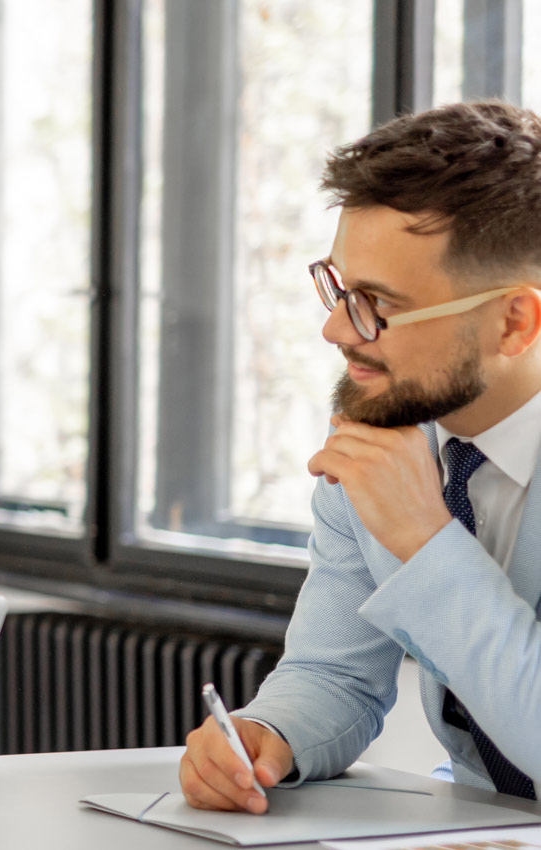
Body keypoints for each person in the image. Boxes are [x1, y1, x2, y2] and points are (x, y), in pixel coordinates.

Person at [181, 101, 541, 813]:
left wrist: (426, 540)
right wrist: (265, 735)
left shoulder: (398, 472)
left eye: (375, 303)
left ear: (513, 322)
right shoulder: (388, 435)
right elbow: (333, 672)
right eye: (340, 289)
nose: (334, 329)